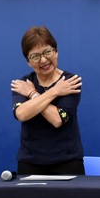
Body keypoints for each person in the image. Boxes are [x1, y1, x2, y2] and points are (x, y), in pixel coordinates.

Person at [11, 26, 84, 175]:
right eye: (35, 56)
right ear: (28, 61)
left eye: (47, 52)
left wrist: (32, 94)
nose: (43, 60)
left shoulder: (70, 82)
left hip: (68, 162)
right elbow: (22, 114)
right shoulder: (23, 84)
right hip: (30, 163)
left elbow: (57, 119)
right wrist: (55, 91)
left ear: (56, 52)